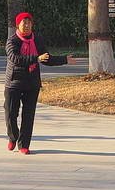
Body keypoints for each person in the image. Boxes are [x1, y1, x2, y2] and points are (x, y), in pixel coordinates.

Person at [4, 11, 68, 155]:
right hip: (14, 82)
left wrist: (64, 60)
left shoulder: (37, 39)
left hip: (32, 83)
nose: (26, 25)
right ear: (18, 25)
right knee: (10, 113)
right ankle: (13, 137)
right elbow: (16, 58)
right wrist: (36, 59)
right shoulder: (12, 41)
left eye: (29, 23)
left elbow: (46, 58)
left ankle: (24, 145)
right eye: (24, 23)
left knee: (28, 115)